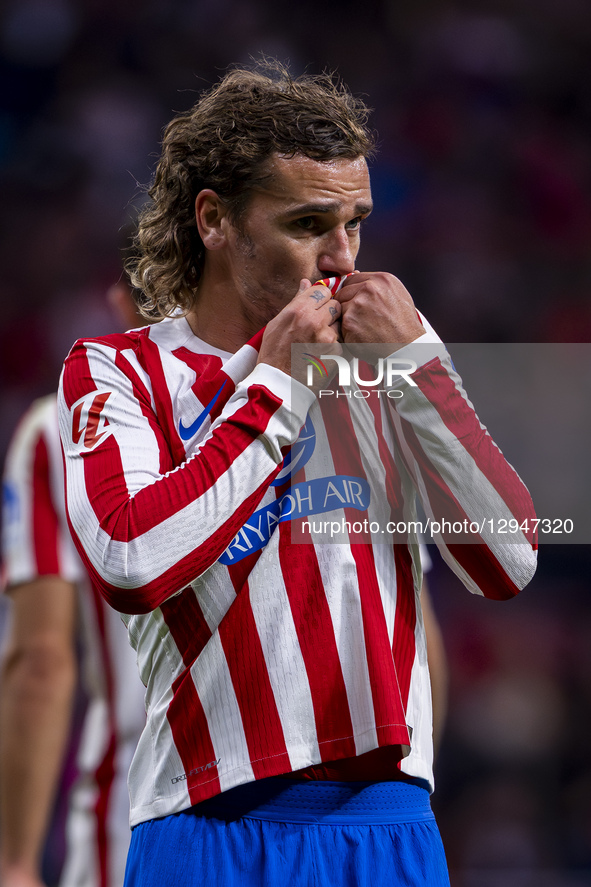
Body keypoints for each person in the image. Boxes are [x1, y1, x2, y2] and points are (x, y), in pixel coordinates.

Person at [57, 63, 537, 886]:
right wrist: (276, 389)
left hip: (385, 829)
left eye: (355, 223)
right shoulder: (120, 372)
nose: (340, 256)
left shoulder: (387, 359)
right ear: (214, 219)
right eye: (308, 223)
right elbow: (131, 561)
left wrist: (418, 367)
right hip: (206, 825)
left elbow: (506, 559)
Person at [0, 260, 147, 887]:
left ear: (121, 301)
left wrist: (16, 862)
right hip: (322, 821)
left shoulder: (57, 430)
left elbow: (42, 662)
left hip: (137, 815)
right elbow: (416, 642)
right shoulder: (324, 410)